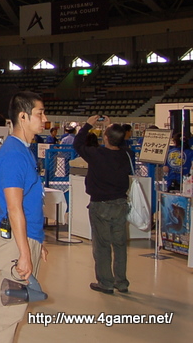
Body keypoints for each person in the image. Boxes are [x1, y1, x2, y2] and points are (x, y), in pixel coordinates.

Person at [0, 91, 48, 343]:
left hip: (26, 238)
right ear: (22, 117)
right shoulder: (13, 154)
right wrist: (24, 253)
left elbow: (28, 202)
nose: (44, 119)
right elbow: (14, 209)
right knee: (9, 313)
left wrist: (37, 241)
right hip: (15, 243)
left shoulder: (24, 150)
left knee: (16, 311)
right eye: (39, 113)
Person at [73, 116, 132, 294]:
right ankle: (121, 282)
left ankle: (106, 282)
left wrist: (88, 125)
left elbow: (77, 144)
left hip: (100, 204)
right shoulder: (126, 154)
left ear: (105, 137)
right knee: (120, 244)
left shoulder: (96, 154)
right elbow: (121, 145)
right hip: (120, 203)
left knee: (102, 245)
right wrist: (111, 127)